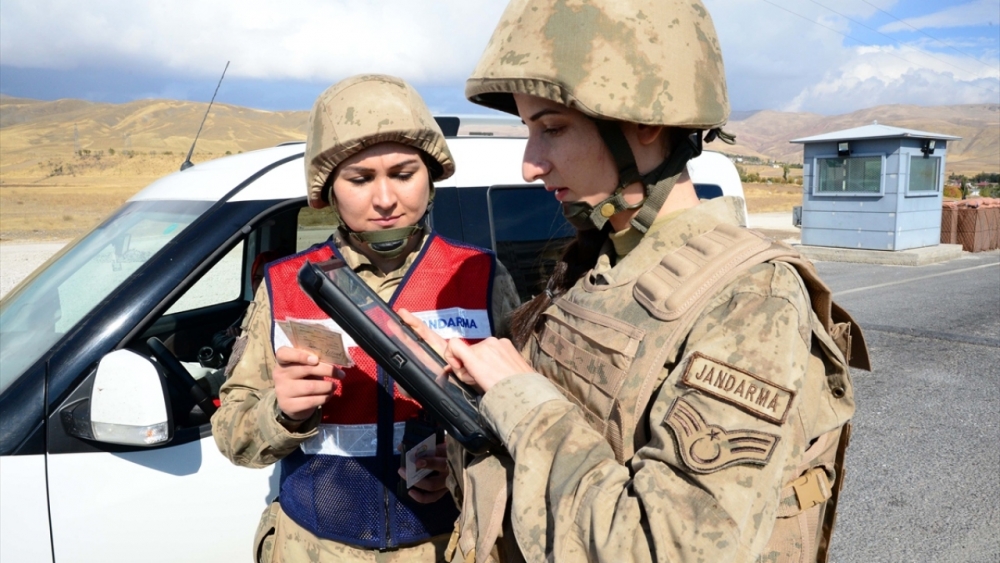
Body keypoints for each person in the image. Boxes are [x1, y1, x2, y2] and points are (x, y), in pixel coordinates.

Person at [403, 2, 871, 562]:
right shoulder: (599, 266)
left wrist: (517, 397)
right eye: (529, 131)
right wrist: (466, 430)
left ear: (646, 124)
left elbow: (663, 547)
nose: (531, 164)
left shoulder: (750, 300)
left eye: (552, 128)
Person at [212, 74, 520, 563]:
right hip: (313, 548)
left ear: (430, 176)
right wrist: (281, 412)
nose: (384, 199)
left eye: (403, 174)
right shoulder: (286, 284)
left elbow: (529, 418)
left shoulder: (479, 275)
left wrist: (462, 465)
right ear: (329, 189)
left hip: (445, 546)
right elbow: (233, 434)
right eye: (360, 179)